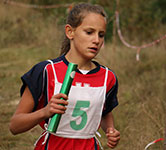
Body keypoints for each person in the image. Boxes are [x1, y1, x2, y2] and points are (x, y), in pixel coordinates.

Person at [9, 3, 120, 150]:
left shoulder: (108, 77)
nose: (96, 40)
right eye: (89, 32)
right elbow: (14, 126)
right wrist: (45, 112)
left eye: (101, 35)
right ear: (70, 32)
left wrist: (110, 130)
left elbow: (104, 113)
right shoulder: (46, 71)